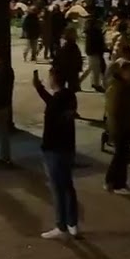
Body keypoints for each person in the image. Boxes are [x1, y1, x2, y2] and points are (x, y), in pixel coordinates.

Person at [33, 66, 79, 239]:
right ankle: (72, 223)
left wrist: (45, 146)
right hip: (67, 147)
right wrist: (39, 89)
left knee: (57, 188)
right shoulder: (68, 96)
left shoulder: (57, 102)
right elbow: (52, 102)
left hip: (54, 149)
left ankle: (61, 225)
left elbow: (52, 108)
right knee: (67, 186)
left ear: (54, 78)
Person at [103, 61, 130, 194]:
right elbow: (114, 111)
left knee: (121, 156)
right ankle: (117, 184)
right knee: (120, 156)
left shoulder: (124, 86)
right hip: (120, 127)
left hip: (124, 126)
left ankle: (114, 182)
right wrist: (120, 127)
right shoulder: (117, 87)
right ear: (123, 72)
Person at [53, 27, 83, 94]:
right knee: (70, 90)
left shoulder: (64, 45)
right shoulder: (72, 47)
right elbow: (77, 58)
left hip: (63, 70)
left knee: (61, 89)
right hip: (69, 71)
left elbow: (57, 57)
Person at [81, 18, 107, 92]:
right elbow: (98, 44)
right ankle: (96, 84)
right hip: (94, 52)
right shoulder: (95, 33)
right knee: (96, 69)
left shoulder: (90, 32)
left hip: (91, 52)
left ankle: (79, 81)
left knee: (90, 68)